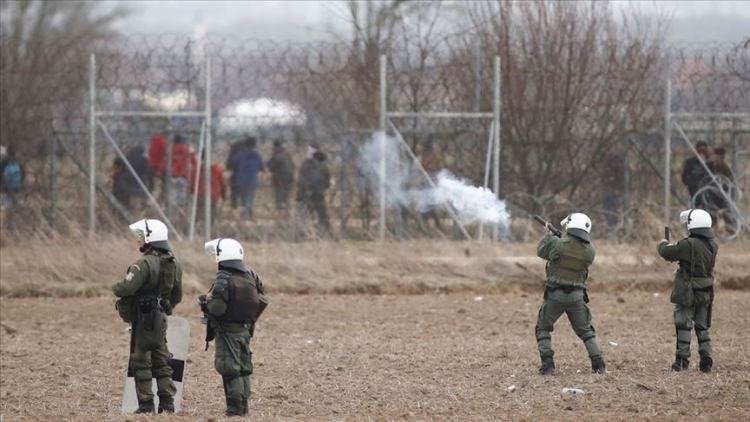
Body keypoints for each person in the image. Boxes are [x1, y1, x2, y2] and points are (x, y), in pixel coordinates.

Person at [112, 219, 184, 413]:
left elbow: (126, 288)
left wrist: (115, 287)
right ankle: (167, 403)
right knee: (162, 359)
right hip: (160, 318)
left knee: (140, 359)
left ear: (150, 238)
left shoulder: (143, 263)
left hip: (143, 319)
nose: (139, 240)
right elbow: (177, 295)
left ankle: (146, 404)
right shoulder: (174, 262)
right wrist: (163, 308)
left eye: (141, 236)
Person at [199, 238, 267, 417]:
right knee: (244, 367)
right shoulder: (250, 276)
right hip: (245, 330)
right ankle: (243, 405)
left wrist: (207, 301)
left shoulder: (224, 279)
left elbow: (218, 309)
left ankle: (234, 408)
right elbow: (262, 299)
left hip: (228, 332)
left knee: (229, 368)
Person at [534, 213, 606, 375]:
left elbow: (541, 251)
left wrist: (548, 235)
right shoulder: (590, 251)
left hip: (555, 295)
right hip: (577, 297)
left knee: (543, 328)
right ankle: (599, 364)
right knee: (586, 331)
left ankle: (548, 365)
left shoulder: (557, 244)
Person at [657, 209, 718, 373]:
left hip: (688, 291)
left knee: (683, 325)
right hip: (705, 290)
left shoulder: (688, 244)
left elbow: (666, 253)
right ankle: (706, 360)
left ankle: (682, 361)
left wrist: (663, 242)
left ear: (693, 225)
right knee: (702, 326)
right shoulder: (713, 245)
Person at [228, 137, 265, 219]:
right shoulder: (257, 155)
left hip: (240, 180)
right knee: (250, 198)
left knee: (244, 199)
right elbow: (262, 167)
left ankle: (248, 214)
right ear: (254, 145)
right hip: (252, 180)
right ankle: (244, 214)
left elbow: (233, 164)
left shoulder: (240, 154)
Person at [297, 149, 331, 233]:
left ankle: (301, 231)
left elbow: (301, 180)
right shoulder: (324, 168)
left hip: (306, 194)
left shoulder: (306, 165)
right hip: (318, 194)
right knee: (322, 215)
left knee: (304, 214)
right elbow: (327, 183)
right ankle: (323, 231)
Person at [191, 151, 228, 225]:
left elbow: (193, 182)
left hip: (200, 194)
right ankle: (209, 226)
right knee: (212, 214)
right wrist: (223, 194)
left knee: (199, 213)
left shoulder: (197, 169)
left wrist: (192, 191)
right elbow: (223, 183)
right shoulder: (217, 169)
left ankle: (199, 227)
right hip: (213, 195)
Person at [681, 141, 714, 208]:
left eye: (704, 151)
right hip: (694, 190)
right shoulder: (691, 162)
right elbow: (685, 176)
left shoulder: (710, 162)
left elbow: (713, 176)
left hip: (707, 190)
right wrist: (691, 184)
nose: (702, 154)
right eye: (700, 151)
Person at [266, 139, 295, 211]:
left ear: (275, 146)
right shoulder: (287, 155)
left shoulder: (276, 156)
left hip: (279, 179)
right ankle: (288, 212)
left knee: (278, 198)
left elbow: (270, 166)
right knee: (287, 197)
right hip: (289, 179)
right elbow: (293, 166)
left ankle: (279, 212)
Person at [1, 145, 24, 211]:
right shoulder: (19, 160)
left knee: (6, 191)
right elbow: (22, 172)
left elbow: (1, 170)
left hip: (8, 180)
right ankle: (16, 204)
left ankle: (5, 205)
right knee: (14, 192)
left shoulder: (5, 160)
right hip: (16, 180)